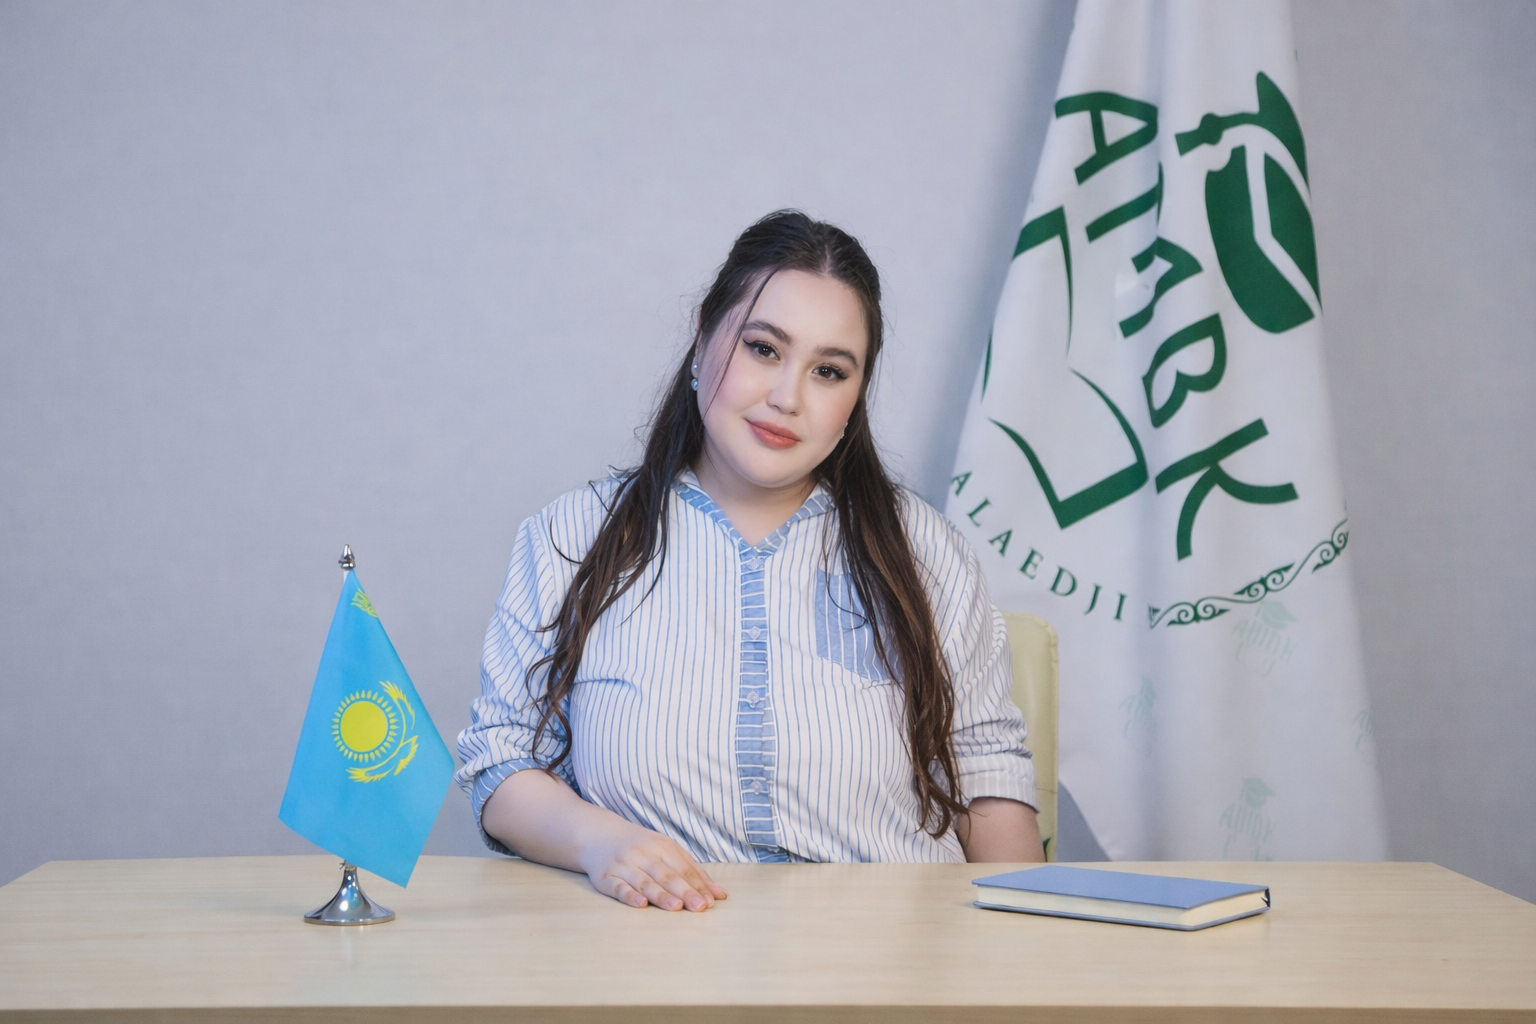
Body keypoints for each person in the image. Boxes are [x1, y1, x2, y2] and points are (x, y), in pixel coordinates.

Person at [456, 210, 1042, 913]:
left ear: (854, 400)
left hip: (894, 952)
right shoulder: (571, 536)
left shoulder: (927, 552)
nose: (787, 398)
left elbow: (987, 775)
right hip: (656, 952)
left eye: (829, 371)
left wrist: (1029, 955)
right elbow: (502, 761)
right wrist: (601, 842)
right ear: (703, 339)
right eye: (763, 349)